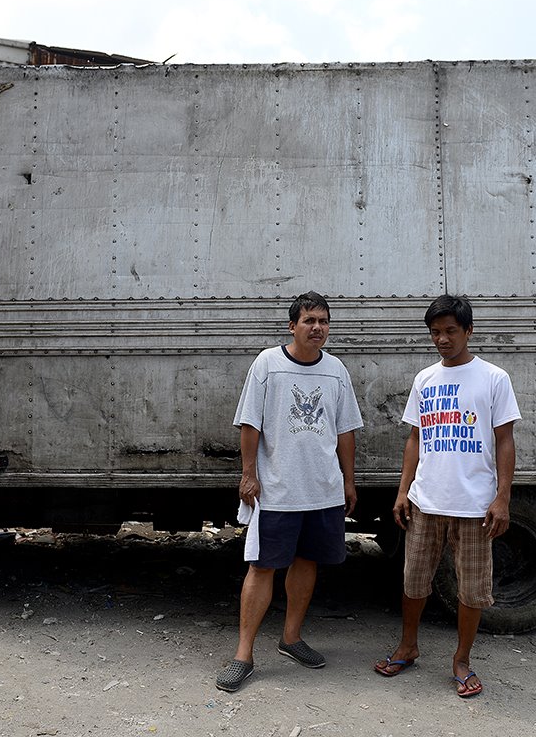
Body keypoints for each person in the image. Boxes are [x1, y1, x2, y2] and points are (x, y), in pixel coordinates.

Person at [215, 291, 364, 693]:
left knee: (307, 561)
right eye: (309, 321)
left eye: (323, 321)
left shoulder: (336, 370)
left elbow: (345, 431)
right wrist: (249, 475)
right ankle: (243, 655)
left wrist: (348, 481)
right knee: (262, 567)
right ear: (292, 326)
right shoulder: (268, 364)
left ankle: (291, 638)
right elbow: (250, 423)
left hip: (322, 489)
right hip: (278, 489)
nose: (317, 328)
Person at [372, 294, 520, 698]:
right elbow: (415, 439)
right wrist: (403, 491)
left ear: (468, 331)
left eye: (450, 331)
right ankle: (408, 646)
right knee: (414, 581)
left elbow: (505, 441)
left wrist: (502, 497)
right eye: (435, 332)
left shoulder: (494, 378)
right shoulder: (425, 379)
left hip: (475, 506)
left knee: (472, 590)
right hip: (426, 501)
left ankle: (462, 660)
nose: (442, 339)